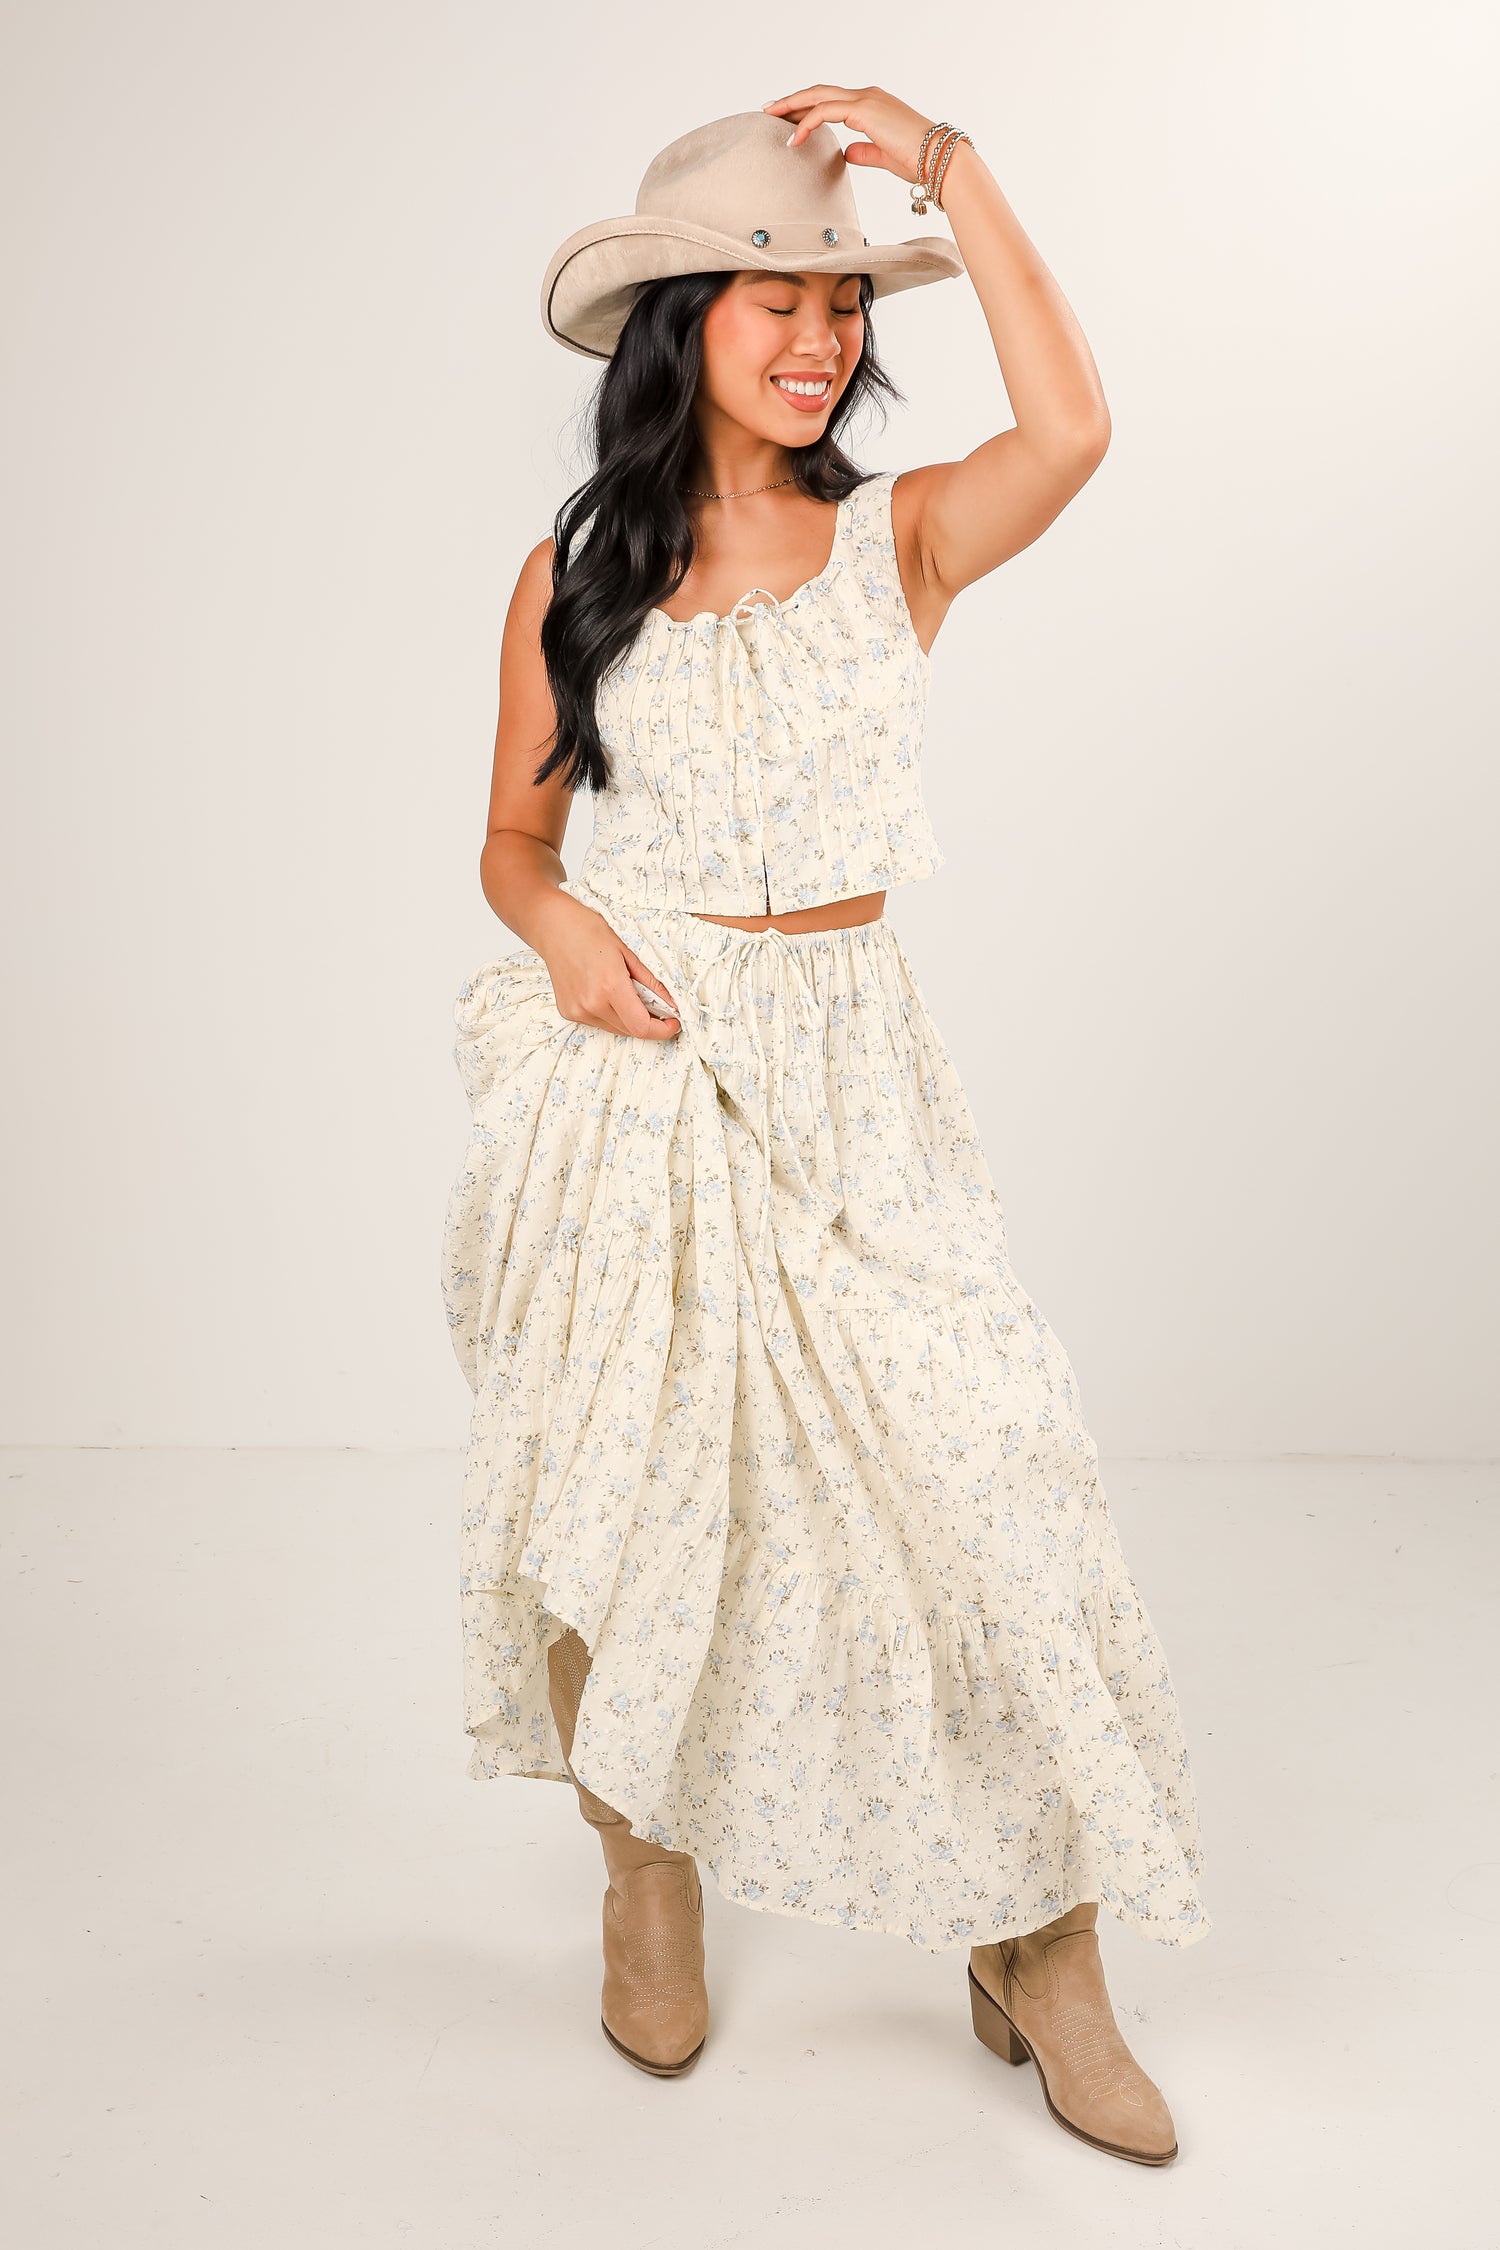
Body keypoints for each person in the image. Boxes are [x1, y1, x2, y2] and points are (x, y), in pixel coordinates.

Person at [440, 87, 1209, 2167]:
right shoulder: (572, 574)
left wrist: (950, 170)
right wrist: (571, 933)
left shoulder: (902, 538)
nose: (813, 336)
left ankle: (1041, 1952)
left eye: (841, 305)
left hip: (861, 1080)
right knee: (643, 1488)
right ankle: (646, 1873)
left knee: (988, 1479)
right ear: (676, 317)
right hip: (646, 1072)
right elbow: (515, 846)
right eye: (773, 296)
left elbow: (1075, 433)